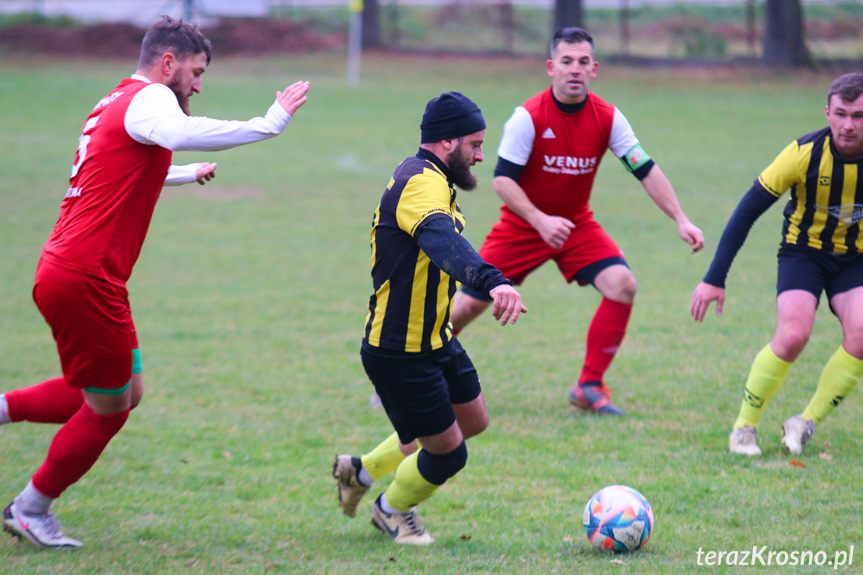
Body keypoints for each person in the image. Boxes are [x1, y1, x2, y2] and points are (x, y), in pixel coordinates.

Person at [0, 16, 309, 549]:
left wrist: (185, 174)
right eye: (195, 71)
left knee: (120, 392)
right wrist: (268, 122)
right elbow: (177, 132)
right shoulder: (151, 103)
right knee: (109, 410)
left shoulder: (115, 101)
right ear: (168, 63)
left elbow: (120, 171)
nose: (197, 83)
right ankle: (31, 508)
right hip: (86, 276)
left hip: (76, 272)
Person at [448, 27, 704, 416]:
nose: (575, 69)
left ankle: (589, 385)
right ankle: (413, 373)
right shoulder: (528, 116)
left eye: (583, 62)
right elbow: (501, 181)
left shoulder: (608, 117)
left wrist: (681, 219)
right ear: (551, 67)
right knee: (464, 307)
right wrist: (539, 220)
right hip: (521, 227)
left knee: (622, 285)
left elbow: (645, 169)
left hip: (575, 226)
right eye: (566, 61)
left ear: (594, 69)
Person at [332, 92, 526, 546]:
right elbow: (440, 239)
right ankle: (392, 511)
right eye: (475, 144)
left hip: (435, 339)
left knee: (473, 422)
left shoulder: (433, 178)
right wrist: (492, 280)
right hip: (400, 350)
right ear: (447, 141)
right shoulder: (420, 183)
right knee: (448, 454)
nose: (481, 155)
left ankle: (360, 470)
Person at [692, 73, 863, 457]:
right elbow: (747, 211)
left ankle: (804, 423)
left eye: (859, 115)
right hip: (804, 252)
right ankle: (744, 428)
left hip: (856, 258)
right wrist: (714, 277)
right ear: (828, 113)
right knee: (792, 335)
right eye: (841, 114)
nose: (849, 124)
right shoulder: (804, 153)